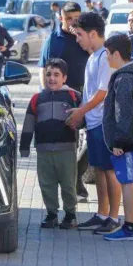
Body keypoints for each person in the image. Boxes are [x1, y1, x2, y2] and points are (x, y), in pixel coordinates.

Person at [67, 12, 122, 235]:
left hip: (104, 123)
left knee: (110, 171)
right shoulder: (92, 57)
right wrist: (80, 113)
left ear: (92, 34)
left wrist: (81, 111)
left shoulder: (106, 57)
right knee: (98, 169)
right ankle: (102, 214)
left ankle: (114, 217)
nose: (77, 39)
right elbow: (89, 92)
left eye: (79, 34)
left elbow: (102, 93)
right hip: (92, 123)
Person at [38, 1, 91, 203]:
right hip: (64, 96)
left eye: (76, 18)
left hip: (87, 94)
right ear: (61, 18)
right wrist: (48, 94)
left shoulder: (85, 37)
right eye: (68, 18)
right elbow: (44, 69)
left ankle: (76, 174)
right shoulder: (54, 40)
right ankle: (74, 186)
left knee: (94, 140)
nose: (72, 22)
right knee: (71, 142)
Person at [20, 58, 82, 230]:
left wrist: (79, 123)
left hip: (66, 150)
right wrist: (24, 147)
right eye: (48, 74)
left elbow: (84, 118)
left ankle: (70, 214)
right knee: (46, 183)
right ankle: (51, 214)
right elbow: (28, 123)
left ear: (64, 78)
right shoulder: (37, 98)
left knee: (68, 183)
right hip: (44, 150)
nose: (51, 78)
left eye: (56, 75)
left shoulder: (73, 96)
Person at [100, 34, 133, 241]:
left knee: (128, 182)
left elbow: (124, 113)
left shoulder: (124, 78)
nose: (106, 58)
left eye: (108, 54)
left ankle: (129, 227)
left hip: (126, 142)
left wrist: (119, 141)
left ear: (117, 54)